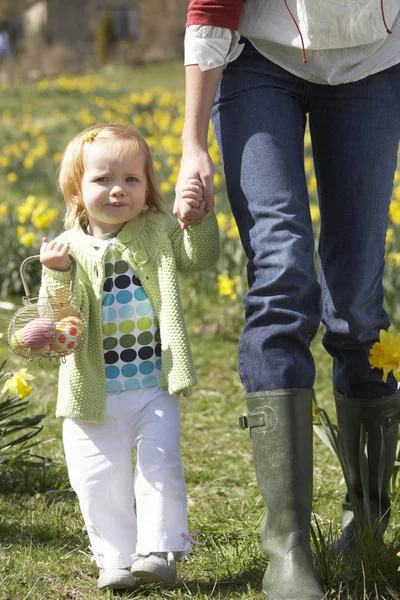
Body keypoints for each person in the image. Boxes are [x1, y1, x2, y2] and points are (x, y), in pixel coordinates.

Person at [174, 2, 400, 599]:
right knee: (282, 275)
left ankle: (369, 521)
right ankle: (288, 548)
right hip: (257, 60)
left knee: (356, 303)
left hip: (374, 62)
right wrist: (192, 141)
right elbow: (212, 5)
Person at [39, 123, 220, 591]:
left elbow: (200, 258)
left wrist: (196, 219)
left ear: (147, 187)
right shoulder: (68, 249)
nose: (118, 189)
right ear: (77, 191)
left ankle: (157, 550)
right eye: (103, 179)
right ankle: (115, 558)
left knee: (161, 465)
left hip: (152, 384)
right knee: (97, 478)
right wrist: (58, 276)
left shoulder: (157, 230)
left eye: (131, 179)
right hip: (91, 392)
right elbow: (60, 324)